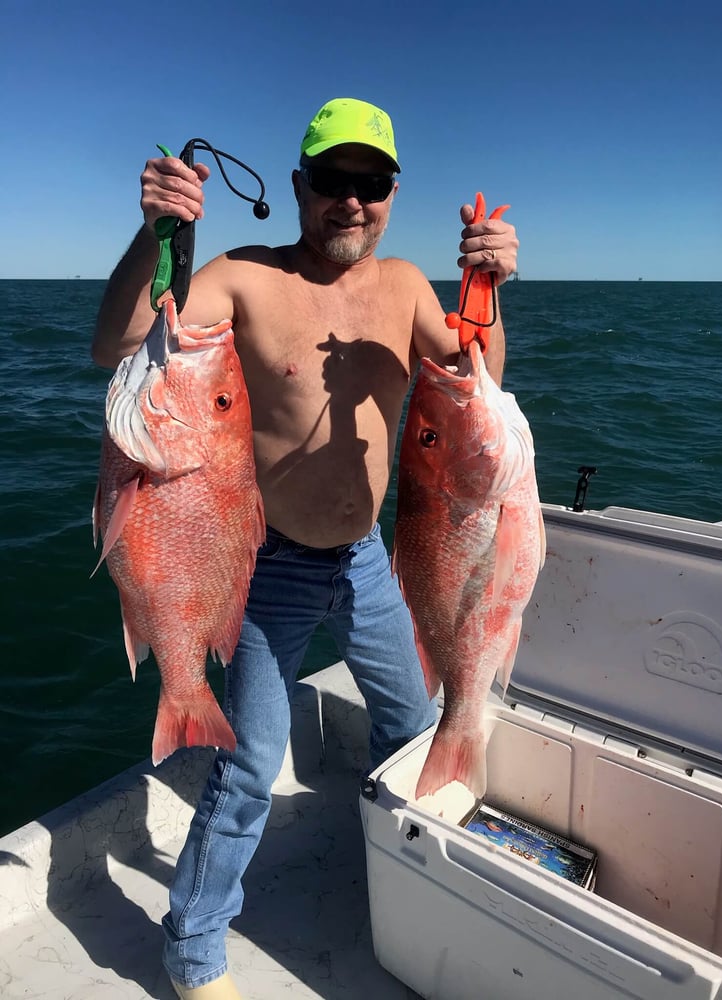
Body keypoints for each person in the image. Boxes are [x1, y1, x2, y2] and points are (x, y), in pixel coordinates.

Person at [92, 97, 518, 1000]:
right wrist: (157, 233)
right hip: (265, 565)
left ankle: (426, 892)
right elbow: (119, 344)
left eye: (370, 184)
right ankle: (194, 953)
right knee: (247, 767)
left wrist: (489, 290)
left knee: (416, 732)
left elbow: (481, 385)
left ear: (393, 195)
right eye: (332, 181)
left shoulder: (404, 286)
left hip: (374, 561)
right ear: (298, 186)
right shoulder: (243, 277)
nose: (350, 202)